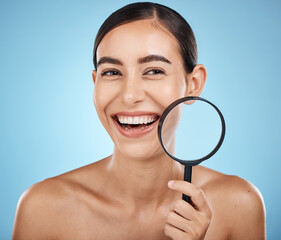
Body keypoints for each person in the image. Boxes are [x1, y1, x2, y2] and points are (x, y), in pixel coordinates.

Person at [12, 2, 266, 239]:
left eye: (154, 71)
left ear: (193, 84)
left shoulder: (240, 203)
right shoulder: (42, 208)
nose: (130, 95)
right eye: (111, 72)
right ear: (95, 83)